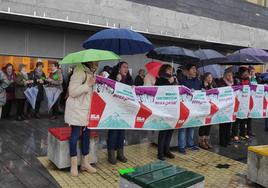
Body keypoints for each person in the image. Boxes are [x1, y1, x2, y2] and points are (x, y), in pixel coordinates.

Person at [65, 62, 98, 177]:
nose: (98, 63)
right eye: (96, 61)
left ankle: (85, 163)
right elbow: (72, 92)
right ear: (90, 61)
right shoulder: (79, 71)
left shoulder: (91, 72)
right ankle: (73, 165)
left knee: (86, 135)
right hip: (77, 110)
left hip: (87, 110)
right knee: (74, 136)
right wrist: (88, 84)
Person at [107, 61, 133, 164]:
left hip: (124, 110)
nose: (126, 69)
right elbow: (107, 90)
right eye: (124, 67)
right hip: (113, 109)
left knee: (121, 133)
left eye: (127, 67)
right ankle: (111, 154)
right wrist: (116, 81)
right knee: (113, 132)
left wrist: (133, 88)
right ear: (118, 68)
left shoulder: (129, 79)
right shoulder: (112, 78)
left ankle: (120, 153)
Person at [178, 64, 201, 154]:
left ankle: (190, 144)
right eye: (193, 69)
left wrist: (202, 91)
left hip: (194, 108)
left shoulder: (198, 81)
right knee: (183, 127)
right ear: (187, 71)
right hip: (184, 107)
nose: (195, 70)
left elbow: (200, 92)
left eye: (195, 69)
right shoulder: (182, 81)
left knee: (191, 126)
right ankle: (181, 146)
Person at [155, 64, 176, 160]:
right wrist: (169, 83)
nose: (170, 72)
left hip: (172, 108)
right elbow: (159, 91)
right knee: (163, 130)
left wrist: (174, 83)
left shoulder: (173, 79)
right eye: (168, 70)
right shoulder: (160, 80)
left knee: (170, 129)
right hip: (163, 108)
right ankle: (160, 152)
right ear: (164, 70)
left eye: (171, 70)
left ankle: (166, 150)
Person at [233, 67, 252, 140]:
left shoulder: (248, 79)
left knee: (244, 118)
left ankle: (243, 133)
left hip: (245, 101)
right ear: (241, 73)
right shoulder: (236, 79)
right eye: (245, 72)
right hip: (238, 100)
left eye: (247, 72)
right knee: (237, 119)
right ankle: (234, 134)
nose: (247, 74)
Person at [199, 72, 216, 150]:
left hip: (210, 107)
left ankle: (206, 140)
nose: (210, 78)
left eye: (211, 77)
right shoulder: (200, 85)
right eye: (209, 77)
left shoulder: (212, 86)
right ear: (205, 77)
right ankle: (201, 141)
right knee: (203, 124)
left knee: (209, 124)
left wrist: (211, 87)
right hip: (203, 107)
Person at [218, 67, 233, 147]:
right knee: (223, 124)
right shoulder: (221, 82)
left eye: (231, 75)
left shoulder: (231, 82)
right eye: (229, 75)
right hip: (223, 105)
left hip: (230, 106)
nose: (231, 77)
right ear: (226, 75)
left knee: (229, 123)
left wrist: (231, 82)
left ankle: (228, 139)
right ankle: (223, 141)